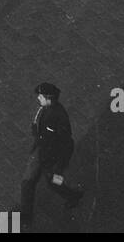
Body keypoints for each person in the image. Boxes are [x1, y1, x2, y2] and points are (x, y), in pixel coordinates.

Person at [18, 83, 83, 227]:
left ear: (49, 99)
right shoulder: (44, 109)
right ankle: (25, 216)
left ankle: (73, 196)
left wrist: (58, 167)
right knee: (27, 182)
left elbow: (67, 144)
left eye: (41, 96)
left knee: (53, 182)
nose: (38, 98)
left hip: (52, 159)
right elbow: (39, 127)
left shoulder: (59, 117)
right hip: (41, 151)